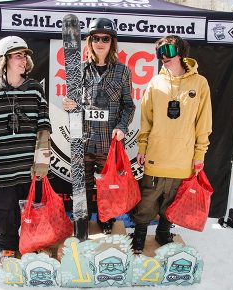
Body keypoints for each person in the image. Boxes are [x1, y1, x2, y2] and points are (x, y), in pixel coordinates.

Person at [130, 35, 212, 254]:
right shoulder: (155, 82)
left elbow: (204, 122)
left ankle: (163, 232)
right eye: (159, 52)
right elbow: (146, 119)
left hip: (183, 157)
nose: (163, 56)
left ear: (181, 52)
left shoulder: (200, 83)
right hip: (157, 154)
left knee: (173, 199)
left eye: (168, 50)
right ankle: (139, 233)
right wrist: (143, 147)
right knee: (148, 198)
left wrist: (199, 154)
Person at [0, 36, 52, 261]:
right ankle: (8, 246)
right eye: (18, 55)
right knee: (4, 210)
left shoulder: (35, 90)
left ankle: (33, 243)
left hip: (30, 166)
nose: (24, 60)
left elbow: (43, 128)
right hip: (4, 165)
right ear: (4, 60)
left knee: (35, 209)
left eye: (25, 55)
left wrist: (41, 162)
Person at [62, 18, 135, 238]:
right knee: (82, 188)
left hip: (107, 144)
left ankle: (106, 220)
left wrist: (122, 126)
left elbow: (129, 106)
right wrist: (70, 106)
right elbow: (75, 106)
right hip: (84, 141)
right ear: (90, 41)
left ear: (112, 42)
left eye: (105, 38)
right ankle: (82, 222)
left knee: (107, 189)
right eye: (96, 38)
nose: (100, 42)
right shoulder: (80, 70)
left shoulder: (122, 71)